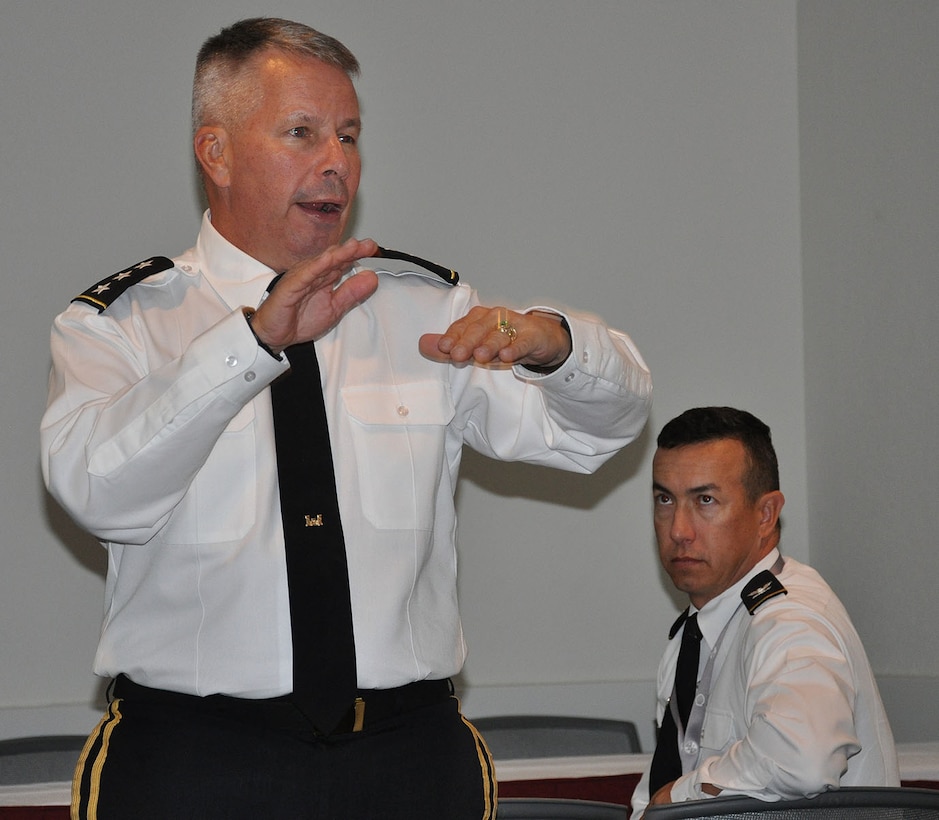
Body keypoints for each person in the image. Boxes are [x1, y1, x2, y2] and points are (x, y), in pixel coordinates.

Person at [39, 17, 652, 820]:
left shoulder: (419, 311)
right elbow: (95, 493)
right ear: (215, 153)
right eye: (301, 132)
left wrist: (554, 344)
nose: (336, 163)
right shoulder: (121, 324)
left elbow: (598, 433)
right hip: (196, 763)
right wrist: (250, 345)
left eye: (349, 136)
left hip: (407, 757)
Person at [629, 407, 898, 818]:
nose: (678, 529)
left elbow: (801, 760)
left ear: (766, 515)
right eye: (665, 499)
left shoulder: (789, 618)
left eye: (705, 500)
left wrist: (677, 800)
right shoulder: (701, 627)